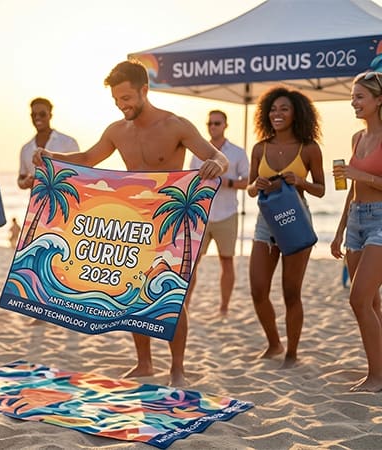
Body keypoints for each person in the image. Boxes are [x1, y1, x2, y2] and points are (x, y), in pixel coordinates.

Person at [33, 60, 228, 386]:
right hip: (135, 221)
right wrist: (51, 157)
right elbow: (87, 160)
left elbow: (217, 157)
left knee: (170, 294)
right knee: (135, 291)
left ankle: (177, 369)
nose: (122, 105)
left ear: (144, 90)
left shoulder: (175, 125)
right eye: (116, 100)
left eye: (127, 98)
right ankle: (144, 363)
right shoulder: (116, 131)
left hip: (171, 220)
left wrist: (215, 165)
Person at [247, 86, 325, 369]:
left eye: (284, 109)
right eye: (273, 109)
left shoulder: (309, 149)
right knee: (258, 290)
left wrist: (300, 182)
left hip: (295, 222)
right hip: (264, 225)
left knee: (291, 292)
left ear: (297, 113)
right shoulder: (259, 148)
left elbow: (321, 190)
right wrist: (257, 185)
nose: (277, 114)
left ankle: (292, 352)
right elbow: (250, 188)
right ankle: (273, 343)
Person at [331, 71, 382, 391]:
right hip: (356, 220)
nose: (354, 103)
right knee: (372, 303)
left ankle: (376, 378)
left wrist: (359, 176)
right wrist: (339, 232)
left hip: (381, 221)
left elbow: (363, 181)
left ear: (379, 100)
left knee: (358, 299)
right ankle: (376, 367)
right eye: (352, 97)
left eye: (360, 97)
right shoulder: (356, 139)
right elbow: (350, 190)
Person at [187, 110, 249, 318]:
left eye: (216, 123)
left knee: (226, 261)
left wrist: (226, 181)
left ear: (225, 125)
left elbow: (248, 181)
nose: (212, 127)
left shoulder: (238, 153)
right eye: (210, 123)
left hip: (227, 214)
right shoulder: (197, 151)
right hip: (201, 214)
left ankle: (224, 307)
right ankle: (185, 305)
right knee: (192, 262)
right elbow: (190, 180)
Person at [17, 97, 79, 190]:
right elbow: (21, 179)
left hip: (65, 201)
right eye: (34, 115)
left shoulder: (68, 142)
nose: (37, 117)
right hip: (37, 203)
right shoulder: (25, 149)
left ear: (50, 115)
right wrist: (25, 182)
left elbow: (79, 174)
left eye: (42, 114)